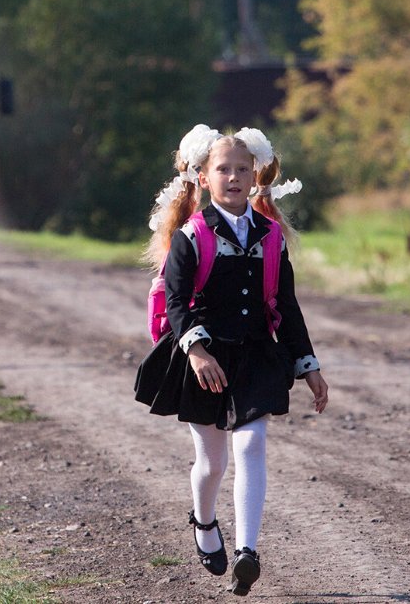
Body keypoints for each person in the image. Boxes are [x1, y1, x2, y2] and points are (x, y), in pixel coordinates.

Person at [134, 124, 329, 596]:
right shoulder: (190, 235)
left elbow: (286, 304)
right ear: (203, 177)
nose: (235, 176)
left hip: (257, 356)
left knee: (251, 447)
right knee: (212, 461)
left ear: (256, 175)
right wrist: (197, 352)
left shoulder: (271, 237)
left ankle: (248, 552)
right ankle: (203, 522)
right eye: (223, 169)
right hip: (203, 359)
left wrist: (308, 363)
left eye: (244, 169)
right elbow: (177, 303)